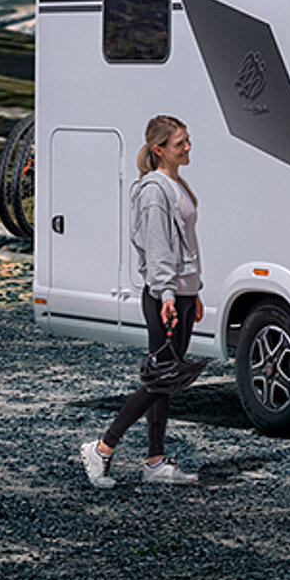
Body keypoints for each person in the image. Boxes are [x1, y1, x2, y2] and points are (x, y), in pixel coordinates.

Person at [80, 114, 205, 488]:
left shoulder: (175, 182)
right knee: (159, 379)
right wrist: (169, 294)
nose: (187, 147)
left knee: (167, 380)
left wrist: (193, 292)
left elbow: (186, 244)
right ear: (159, 149)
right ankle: (102, 447)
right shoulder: (154, 190)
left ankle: (155, 461)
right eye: (179, 143)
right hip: (165, 297)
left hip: (181, 294)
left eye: (187, 140)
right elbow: (157, 248)